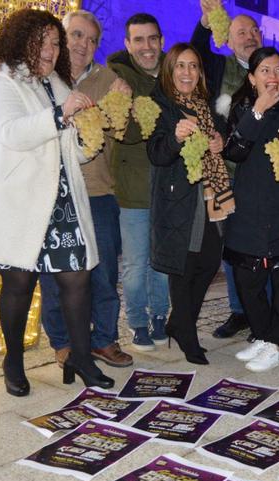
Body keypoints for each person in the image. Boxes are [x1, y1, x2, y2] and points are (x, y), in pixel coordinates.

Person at [0, 8, 114, 395]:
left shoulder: (56, 83)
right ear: (20, 39)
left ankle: (80, 356)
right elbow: (14, 133)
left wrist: (85, 140)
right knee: (19, 283)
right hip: (19, 201)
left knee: (77, 276)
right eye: (42, 40)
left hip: (61, 198)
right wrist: (63, 115)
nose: (51, 48)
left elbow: (67, 143)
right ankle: (13, 360)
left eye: (55, 42)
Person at [219, 47, 279, 372]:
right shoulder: (241, 107)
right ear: (252, 78)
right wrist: (256, 112)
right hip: (250, 206)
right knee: (247, 277)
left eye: (278, 71)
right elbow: (234, 152)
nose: (273, 77)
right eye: (265, 71)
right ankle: (261, 334)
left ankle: (276, 342)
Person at [146, 43, 231, 365]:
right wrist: (176, 138)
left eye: (193, 66)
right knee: (183, 267)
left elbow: (220, 135)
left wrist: (218, 140)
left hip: (210, 195)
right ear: (170, 71)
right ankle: (187, 332)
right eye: (180, 66)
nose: (187, 72)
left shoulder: (206, 105)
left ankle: (179, 323)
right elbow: (155, 153)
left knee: (208, 262)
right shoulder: (160, 104)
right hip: (177, 197)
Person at [192, 0, 268, 340]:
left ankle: (262, 313)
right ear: (229, 38)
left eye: (253, 30)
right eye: (241, 32)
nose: (249, 37)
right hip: (225, 175)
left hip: (263, 178)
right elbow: (194, 52)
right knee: (231, 249)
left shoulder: (274, 71)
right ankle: (239, 311)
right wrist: (206, 22)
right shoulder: (219, 67)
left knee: (260, 248)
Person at [107, 13, 171, 352]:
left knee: (162, 261)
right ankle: (136, 322)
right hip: (133, 189)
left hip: (168, 188)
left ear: (161, 40)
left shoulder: (173, 75)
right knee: (134, 265)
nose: (147, 47)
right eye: (139, 40)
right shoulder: (118, 79)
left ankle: (160, 316)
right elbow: (127, 133)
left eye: (152, 39)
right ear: (128, 44)